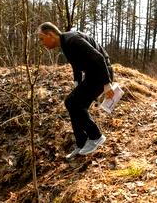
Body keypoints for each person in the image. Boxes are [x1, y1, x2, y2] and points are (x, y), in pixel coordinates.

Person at [38, 22, 114, 159]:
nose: (42, 43)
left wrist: (107, 83)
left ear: (50, 35)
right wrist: (77, 83)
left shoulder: (73, 40)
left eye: (42, 39)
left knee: (73, 103)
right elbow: (76, 65)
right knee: (73, 104)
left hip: (101, 73)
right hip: (93, 75)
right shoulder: (65, 43)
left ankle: (96, 136)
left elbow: (98, 57)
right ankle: (82, 144)